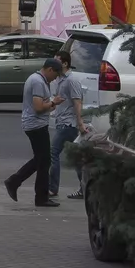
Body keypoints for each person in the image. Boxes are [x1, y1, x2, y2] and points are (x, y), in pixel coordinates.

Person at [4, 56, 63, 207]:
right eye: (55, 75)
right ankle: (18, 183)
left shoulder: (38, 80)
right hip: (36, 125)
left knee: (42, 160)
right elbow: (38, 107)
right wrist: (53, 102)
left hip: (36, 124)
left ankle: (21, 185)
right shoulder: (38, 82)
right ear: (50, 70)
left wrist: (51, 104)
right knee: (43, 160)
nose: (55, 79)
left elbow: (41, 104)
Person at [50, 51, 90, 199]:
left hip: (69, 124)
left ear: (65, 63)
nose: (54, 64)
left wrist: (80, 123)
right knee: (76, 157)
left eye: (57, 61)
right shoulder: (59, 79)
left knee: (53, 153)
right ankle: (85, 189)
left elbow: (77, 102)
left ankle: (52, 188)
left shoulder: (71, 80)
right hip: (62, 122)